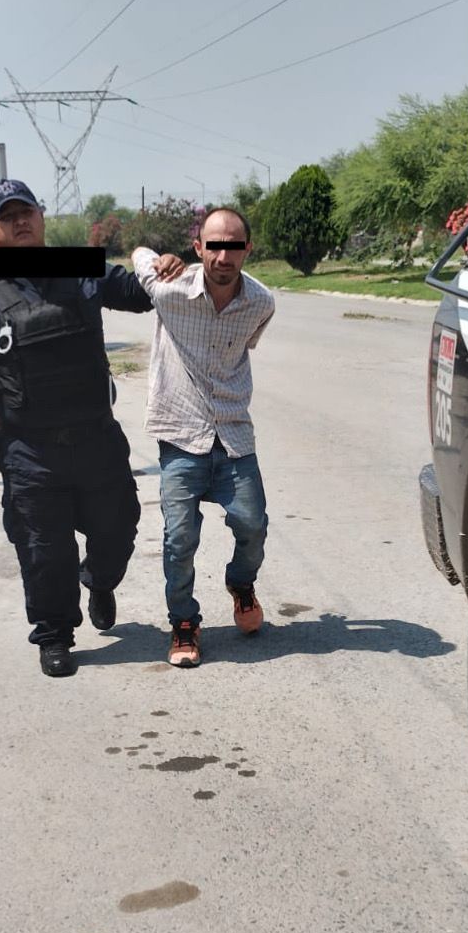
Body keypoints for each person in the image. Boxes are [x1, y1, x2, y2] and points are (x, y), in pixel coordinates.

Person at [0, 178, 156, 679]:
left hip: (96, 439)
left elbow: (138, 294)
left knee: (118, 529)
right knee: (43, 549)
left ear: (41, 218)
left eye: (27, 212)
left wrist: (157, 269)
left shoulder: (81, 271)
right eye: (8, 216)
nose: (21, 221)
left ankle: (99, 582)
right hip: (29, 450)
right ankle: (56, 635)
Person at [132, 207, 275, 668]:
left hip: (233, 435)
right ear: (200, 249)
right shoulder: (169, 290)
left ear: (247, 249)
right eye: (214, 245)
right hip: (180, 436)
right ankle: (184, 623)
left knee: (253, 525)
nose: (223, 255)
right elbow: (137, 254)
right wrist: (158, 257)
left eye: (234, 245)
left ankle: (240, 583)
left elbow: (246, 345)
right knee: (179, 539)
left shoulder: (261, 302)